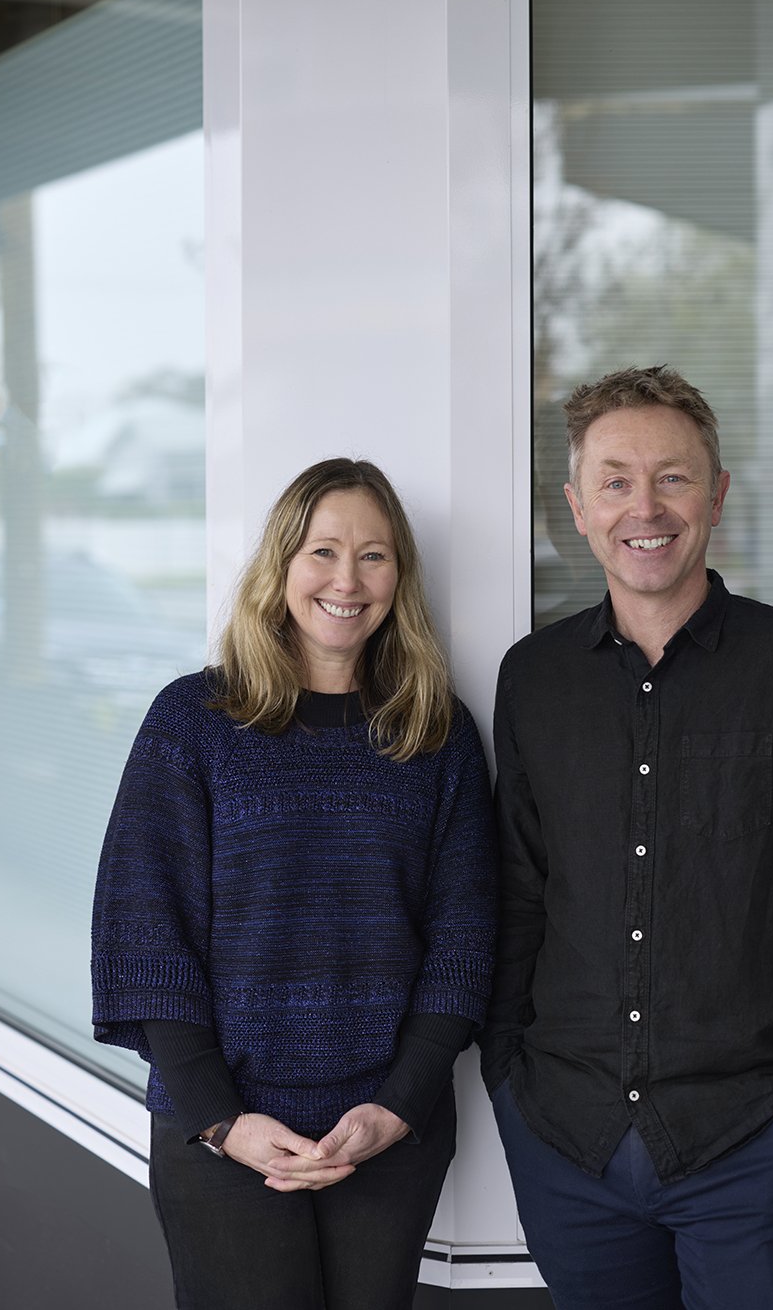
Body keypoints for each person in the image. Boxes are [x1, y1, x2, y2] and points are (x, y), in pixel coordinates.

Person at [480, 366, 773, 1310]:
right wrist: (508, 1083)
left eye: (673, 477)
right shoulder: (534, 680)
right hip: (568, 1142)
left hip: (754, 1146)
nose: (646, 506)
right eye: (615, 480)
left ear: (717, 495)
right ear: (578, 507)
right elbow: (516, 895)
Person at [92, 458, 496, 1310]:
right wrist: (221, 1119)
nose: (347, 580)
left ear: (400, 577)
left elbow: (466, 936)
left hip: (386, 1133)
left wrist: (400, 1104)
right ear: (281, 566)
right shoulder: (194, 722)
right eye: (322, 551)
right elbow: (143, 930)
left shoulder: (436, 732)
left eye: (375, 556)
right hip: (222, 1133)